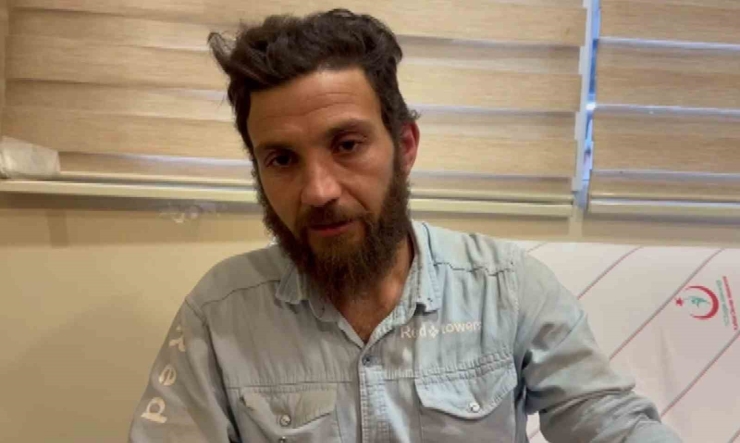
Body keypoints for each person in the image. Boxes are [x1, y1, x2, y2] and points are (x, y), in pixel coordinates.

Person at [129, 9, 681, 443]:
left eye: (347, 145)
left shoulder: (506, 287)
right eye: (281, 159)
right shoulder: (220, 313)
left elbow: (608, 420)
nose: (318, 191)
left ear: (405, 146)